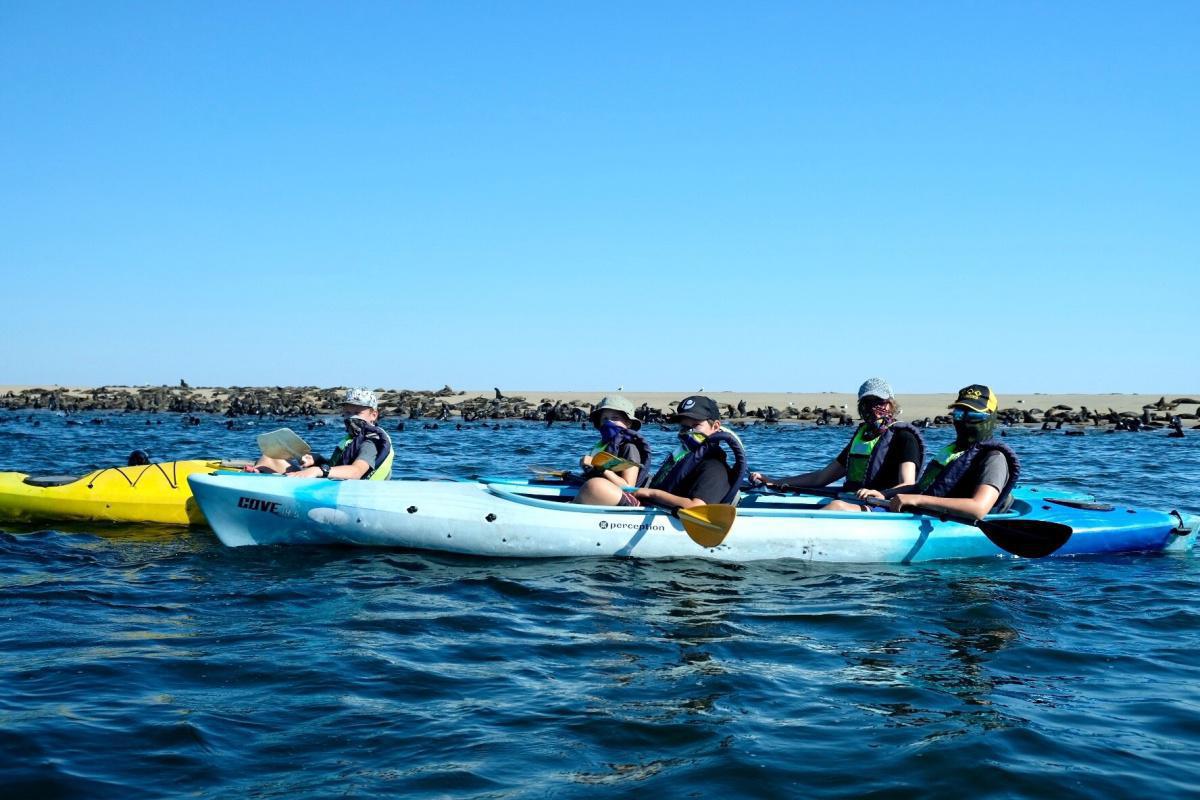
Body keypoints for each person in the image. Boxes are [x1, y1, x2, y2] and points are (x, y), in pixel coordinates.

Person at [844, 384, 1020, 519]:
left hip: (947, 521)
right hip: (926, 513)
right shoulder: (955, 451)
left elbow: (978, 509)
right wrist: (885, 494)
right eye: (959, 414)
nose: (964, 420)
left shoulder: (994, 459)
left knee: (839, 507)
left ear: (990, 418)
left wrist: (918, 500)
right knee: (839, 506)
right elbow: (923, 488)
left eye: (974, 416)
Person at [750, 378, 924, 496]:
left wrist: (880, 494)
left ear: (890, 404)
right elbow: (821, 478)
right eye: (867, 403)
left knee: (836, 508)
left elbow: (908, 485)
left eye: (878, 402)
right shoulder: (863, 437)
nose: (872, 408)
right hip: (853, 501)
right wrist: (774, 481)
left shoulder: (904, 437)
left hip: (880, 505)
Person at [247, 388, 394, 480]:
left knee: (269, 460)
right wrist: (316, 459)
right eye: (348, 412)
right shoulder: (353, 437)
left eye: (357, 413)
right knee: (269, 457)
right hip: (334, 486)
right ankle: (257, 477)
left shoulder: (371, 441)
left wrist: (318, 470)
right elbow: (337, 465)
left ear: (374, 415)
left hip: (352, 495)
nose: (351, 417)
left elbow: (356, 472)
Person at [632, 395, 747, 510]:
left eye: (696, 425)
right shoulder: (685, 459)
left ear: (715, 426)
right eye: (684, 426)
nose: (689, 431)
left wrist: (652, 493)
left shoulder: (714, 467)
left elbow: (697, 507)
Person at [573, 395, 652, 506]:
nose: (609, 422)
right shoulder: (603, 445)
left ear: (628, 423)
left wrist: (601, 468)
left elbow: (628, 487)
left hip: (626, 499)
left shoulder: (629, 448)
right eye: (605, 419)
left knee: (594, 485)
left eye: (615, 418)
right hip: (603, 494)